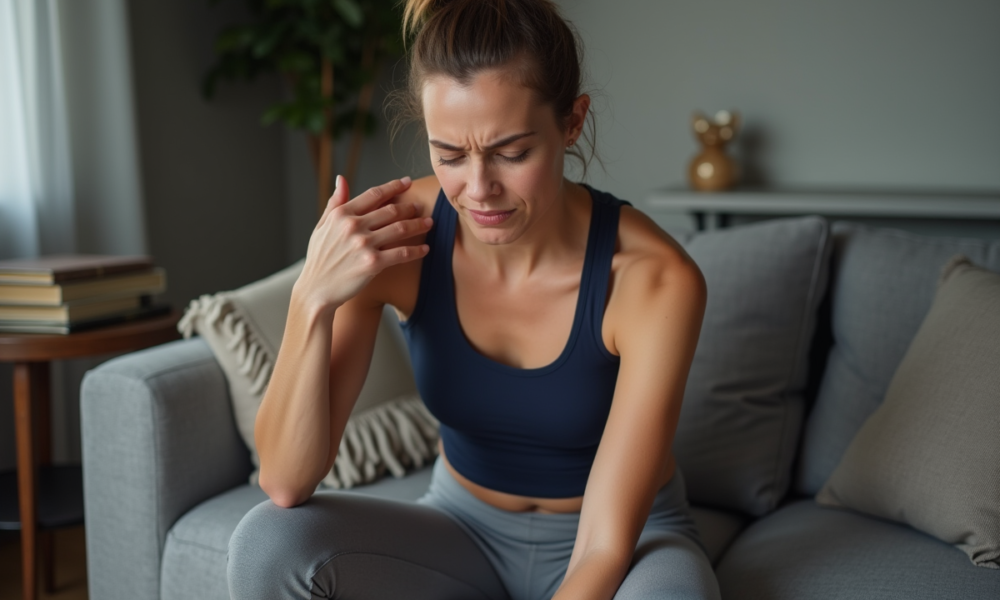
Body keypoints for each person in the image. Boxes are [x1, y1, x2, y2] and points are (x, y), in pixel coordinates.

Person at [228, 1, 719, 598]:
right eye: (450, 155)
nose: (479, 189)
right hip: (461, 531)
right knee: (267, 543)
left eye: (512, 153)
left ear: (572, 122)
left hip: (625, 545)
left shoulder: (653, 280)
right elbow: (284, 481)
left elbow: (604, 546)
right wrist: (312, 300)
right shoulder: (400, 235)